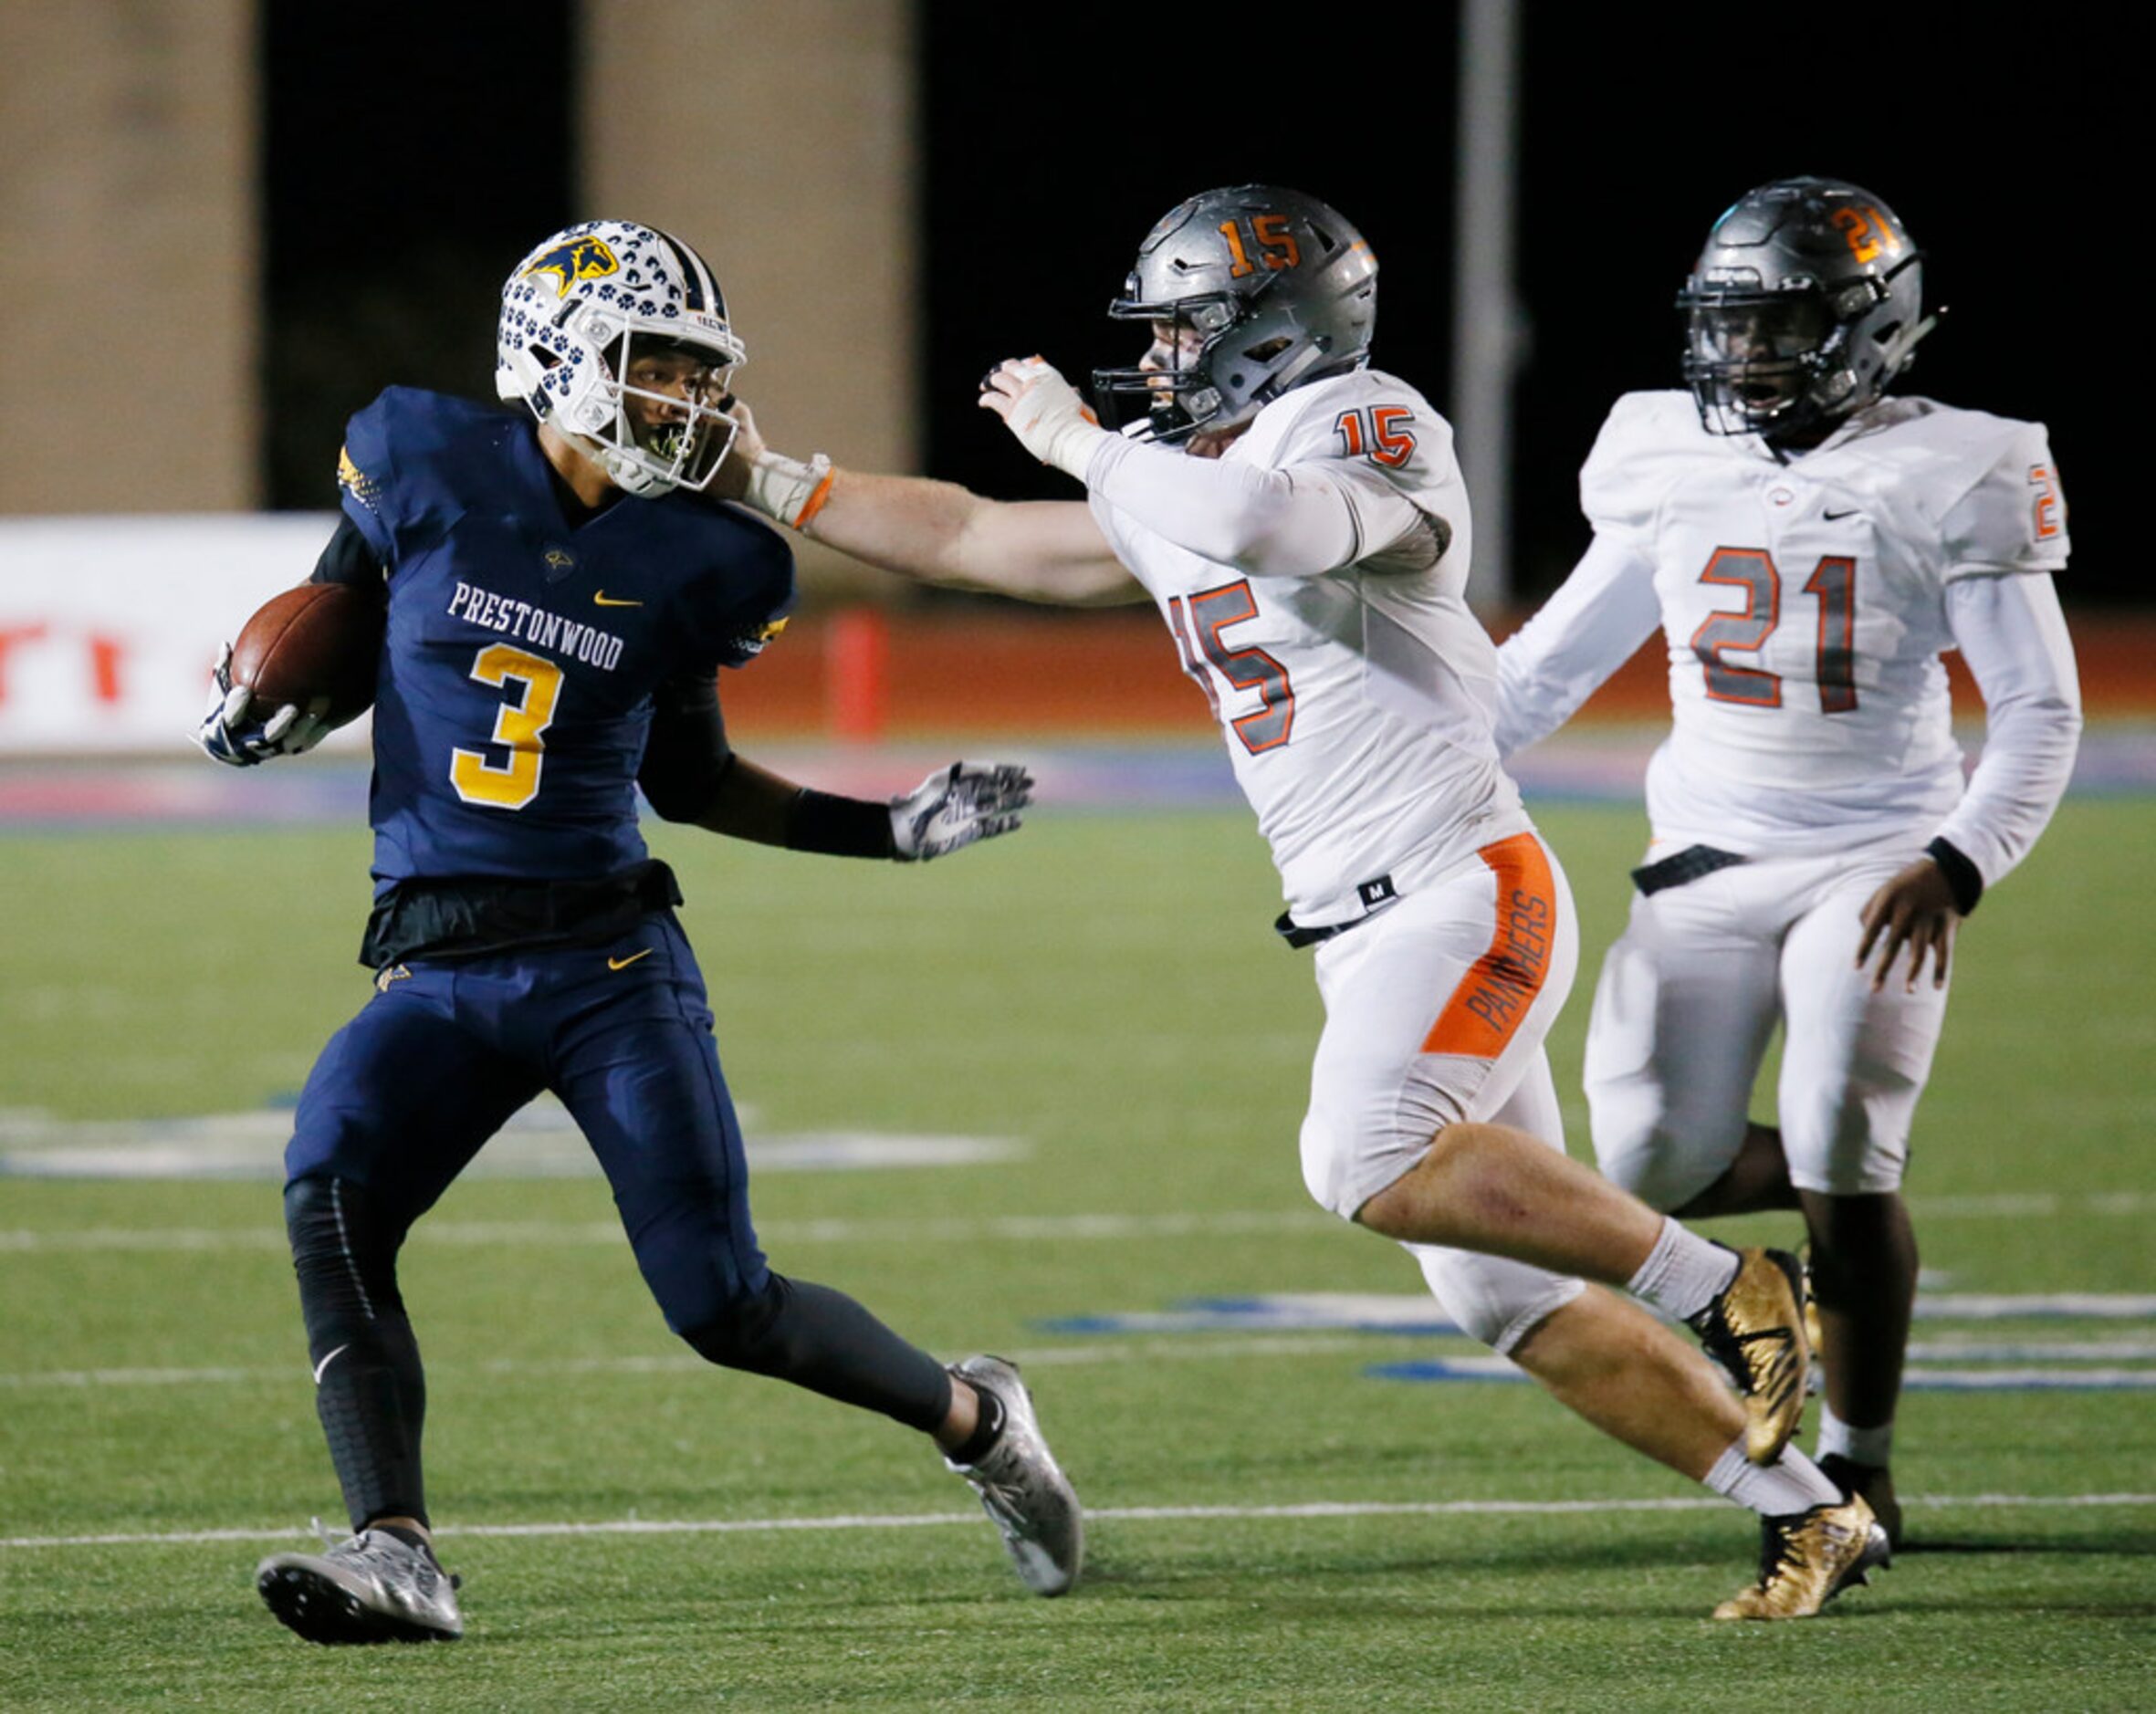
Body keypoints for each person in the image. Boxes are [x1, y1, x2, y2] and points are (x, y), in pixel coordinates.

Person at [715, 184, 1887, 1621]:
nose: (1152, 362)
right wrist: (770, 481)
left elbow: (1279, 527)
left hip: (1462, 889)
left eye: (1182, 330)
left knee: (1360, 1151)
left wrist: (1080, 442)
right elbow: (974, 535)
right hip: (1362, 928)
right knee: (1497, 1296)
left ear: (1269, 330)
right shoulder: (1174, 481)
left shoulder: (1360, 421)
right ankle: (1807, 1511)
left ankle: (1733, 1286)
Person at [194, 219, 1082, 1645]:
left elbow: (691, 780)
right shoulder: (417, 456)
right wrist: (255, 707)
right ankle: (398, 1548)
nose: (690, 400)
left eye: (697, 371)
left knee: (724, 1306)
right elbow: (329, 625)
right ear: (551, 357)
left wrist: (888, 827)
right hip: (434, 959)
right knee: (333, 1197)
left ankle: (978, 1417)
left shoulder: (710, 557)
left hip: (608, 964)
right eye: (654, 366)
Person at [1492, 176, 2082, 1552]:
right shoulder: (1661, 452)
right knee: (1642, 1156)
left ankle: (1857, 1455)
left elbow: (2041, 708)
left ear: (1871, 327)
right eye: (1729, 325)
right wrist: (1423, 784)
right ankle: (1835, 1218)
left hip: (1875, 856)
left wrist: (1958, 860)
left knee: (1832, 1127)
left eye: (1781, 326)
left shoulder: (1960, 464)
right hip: (1703, 846)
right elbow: (1543, 669)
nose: (1743, 356)